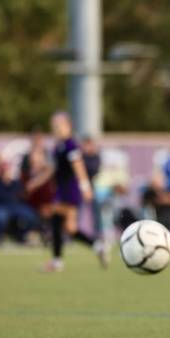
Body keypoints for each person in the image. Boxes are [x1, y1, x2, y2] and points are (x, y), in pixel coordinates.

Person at [39, 112, 108, 271]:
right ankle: (98, 246)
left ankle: (57, 262)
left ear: (67, 126)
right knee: (70, 229)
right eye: (53, 126)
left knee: (55, 216)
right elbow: (53, 170)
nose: (55, 129)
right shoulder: (58, 146)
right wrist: (35, 182)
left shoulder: (71, 145)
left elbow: (78, 166)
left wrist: (85, 187)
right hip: (62, 190)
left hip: (70, 190)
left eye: (58, 125)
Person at [0, 156, 38, 244]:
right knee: (0, 217)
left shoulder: (15, 183)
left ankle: (22, 235)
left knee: (31, 216)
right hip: (0, 206)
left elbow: (21, 195)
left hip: (15, 206)